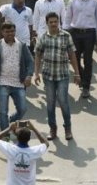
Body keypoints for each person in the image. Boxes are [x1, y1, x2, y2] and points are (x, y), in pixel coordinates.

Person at [33, 12, 81, 140]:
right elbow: (37, 54)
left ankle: (68, 128)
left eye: (56, 22)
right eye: (51, 22)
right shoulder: (43, 37)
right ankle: (52, 129)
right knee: (50, 104)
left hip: (63, 75)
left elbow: (72, 55)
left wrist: (77, 73)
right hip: (48, 76)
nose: (54, 24)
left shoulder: (66, 36)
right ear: (47, 24)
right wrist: (36, 73)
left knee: (63, 101)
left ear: (59, 22)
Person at [0, 22, 34, 131]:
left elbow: (30, 61)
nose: (10, 34)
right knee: (2, 112)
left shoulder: (21, 45)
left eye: (12, 31)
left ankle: (12, 121)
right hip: (3, 83)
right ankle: (5, 135)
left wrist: (29, 75)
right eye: (7, 32)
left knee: (22, 109)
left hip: (19, 83)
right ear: (2, 32)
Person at [63, 0, 97, 98]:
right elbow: (68, 18)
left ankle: (86, 86)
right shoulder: (73, 0)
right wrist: (65, 32)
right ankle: (80, 77)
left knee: (88, 60)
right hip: (75, 33)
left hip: (89, 34)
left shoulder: (95, 1)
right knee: (74, 58)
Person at [0, 121, 49, 185]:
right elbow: (46, 143)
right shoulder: (34, 151)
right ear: (29, 138)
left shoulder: (11, 149)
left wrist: (9, 128)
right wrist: (33, 128)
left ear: (17, 137)